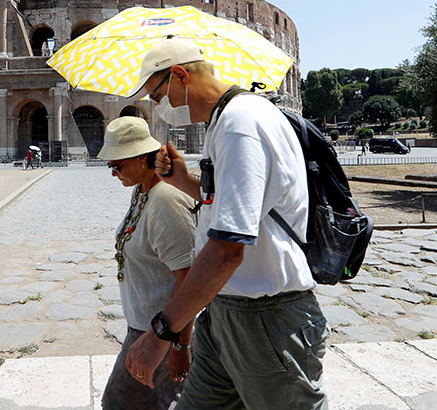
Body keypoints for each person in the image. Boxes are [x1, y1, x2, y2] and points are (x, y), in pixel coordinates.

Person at [124, 38, 328, 409]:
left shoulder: (240, 123)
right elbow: (239, 208)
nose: (158, 108)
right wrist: (185, 183)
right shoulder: (226, 120)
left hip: (266, 318)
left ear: (180, 76)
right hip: (225, 311)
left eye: (156, 97)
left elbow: (226, 252)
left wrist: (161, 334)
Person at [98, 117, 197, 410]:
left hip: (162, 331)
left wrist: (180, 344)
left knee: (119, 402)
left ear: (142, 159)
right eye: (110, 167)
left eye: (117, 166)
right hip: (143, 326)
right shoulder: (143, 189)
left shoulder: (165, 198)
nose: (114, 174)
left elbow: (189, 277)